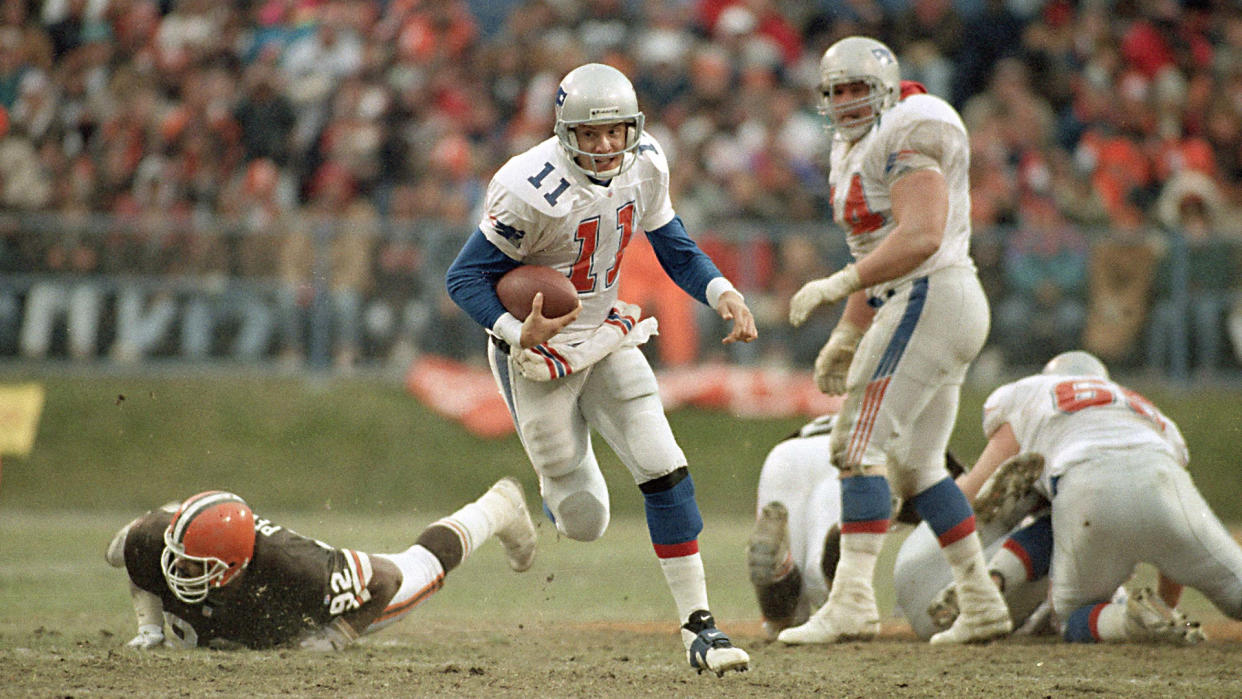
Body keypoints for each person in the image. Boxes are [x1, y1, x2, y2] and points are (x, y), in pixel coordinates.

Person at [444, 63, 756, 676]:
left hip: (608, 333)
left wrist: (720, 290)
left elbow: (673, 243)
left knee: (663, 464)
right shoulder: (527, 187)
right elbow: (463, 277)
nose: (607, 145)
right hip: (536, 354)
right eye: (592, 134)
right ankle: (523, 504)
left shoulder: (647, 163)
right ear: (565, 134)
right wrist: (516, 330)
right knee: (586, 518)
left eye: (617, 131)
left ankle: (701, 627)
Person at [780, 36, 1009, 645]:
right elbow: (877, 247)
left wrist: (839, 285)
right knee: (918, 466)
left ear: (885, 89)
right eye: (839, 91)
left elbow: (922, 235)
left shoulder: (912, 128)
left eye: (861, 88)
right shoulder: (851, 148)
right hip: (928, 300)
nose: (850, 101)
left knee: (855, 447)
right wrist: (850, 328)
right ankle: (982, 601)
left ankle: (852, 598)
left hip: (929, 294)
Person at [947, 349, 1239, 644]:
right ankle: (1154, 617)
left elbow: (976, 490)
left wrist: (929, 498)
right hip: (1164, 477)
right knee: (1235, 587)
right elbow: (1176, 547)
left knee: (1073, 617)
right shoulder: (1143, 407)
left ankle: (1127, 622)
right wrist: (1165, 607)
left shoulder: (1029, 391)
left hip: (1087, 484)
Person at [106, 478, 536, 651]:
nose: (178, 573)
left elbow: (386, 580)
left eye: (194, 566)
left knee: (419, 568)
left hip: (312, 597)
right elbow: (137, 561)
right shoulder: (148, 540)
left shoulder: (300, 571)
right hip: (242, 580)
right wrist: (150, 628)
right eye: (179, 561)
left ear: (233, 565)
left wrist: (336, 637)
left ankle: (497, 507)